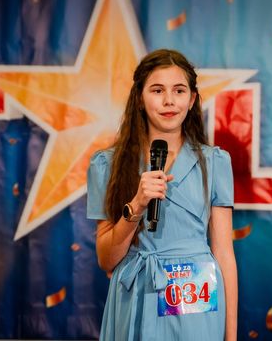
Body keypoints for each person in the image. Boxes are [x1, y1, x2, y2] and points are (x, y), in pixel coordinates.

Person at [86, 49, 238, 340]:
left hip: (195, 302)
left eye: (179, 91)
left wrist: (230, 337)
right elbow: (106, 259)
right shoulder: (107, 164)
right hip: (135, 296)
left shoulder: (215, 162)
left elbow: (224, 254)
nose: (169, 101)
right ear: (140, 98)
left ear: (191, 100)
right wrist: (136, 206)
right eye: (157, 90)